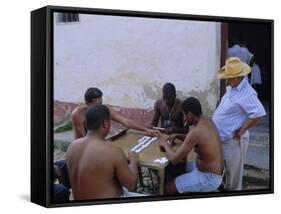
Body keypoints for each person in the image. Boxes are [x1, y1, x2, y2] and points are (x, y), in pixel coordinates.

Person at [212, 57, 266, 191]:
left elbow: (259, 114)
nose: (226, 80)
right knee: (226, 170)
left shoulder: (247, 94)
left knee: (234, 176)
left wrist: (242, 130)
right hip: (223, 138)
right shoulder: (233, 87)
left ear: (238, 77)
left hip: (233, 140)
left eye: (229, 77)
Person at [66, 105, 140, 199]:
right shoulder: (113, 152)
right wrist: (134, 159)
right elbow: (131, 184)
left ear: (86, 123)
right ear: (105, 123)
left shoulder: (72, 147)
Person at [159, 97, 224, 194]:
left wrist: (165, 145)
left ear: (189, 114)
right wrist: (177, 135)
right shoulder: (208, 121)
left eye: (184, 115)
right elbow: (194, 139)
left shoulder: (196, 132)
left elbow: (174, 159)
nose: (184, 118)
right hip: (215, 173)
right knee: (178, 168)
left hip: (208, 178)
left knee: (167, 188)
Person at [71, 87, 160, 139]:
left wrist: (146, 130)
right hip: (82, 149)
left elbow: (125, 121)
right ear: (87, 104)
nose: (99, 107)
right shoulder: (77, 115)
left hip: (97, 144)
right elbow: (85, 140)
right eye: (96, 105)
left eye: (101, 104)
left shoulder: (104, 110)